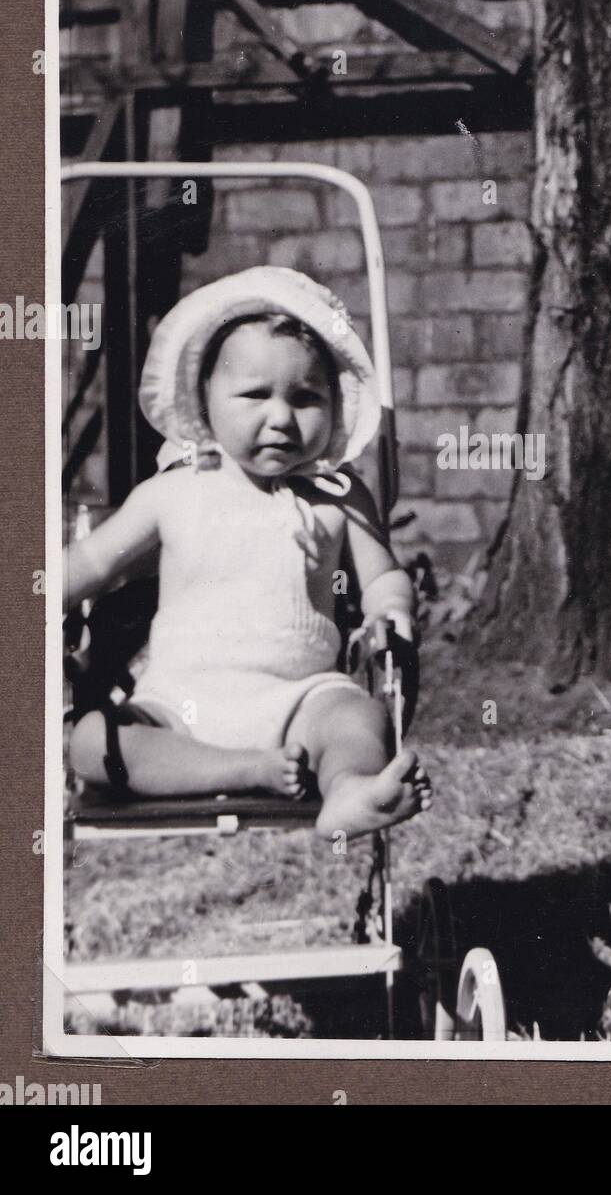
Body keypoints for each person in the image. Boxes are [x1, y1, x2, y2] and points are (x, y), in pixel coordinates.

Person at [64, 265, 431, 840]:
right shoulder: (173, 492)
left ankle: (349, 790)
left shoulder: (337, 496)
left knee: (359, 717)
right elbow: (92, 564)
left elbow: (381, 575)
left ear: (336, 404)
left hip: (300, 699)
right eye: (255, 395)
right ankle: (245, 770)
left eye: (306, 398)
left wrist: (390, 612)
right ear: (205, 402)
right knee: (91, 742)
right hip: (178, 706)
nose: (281, 418)